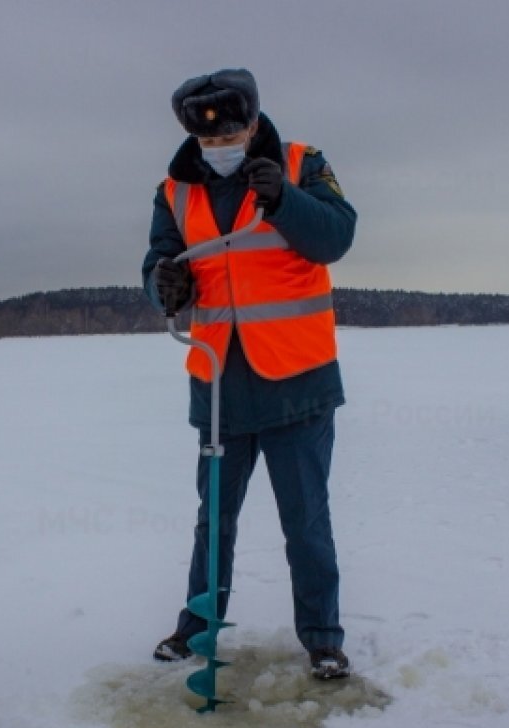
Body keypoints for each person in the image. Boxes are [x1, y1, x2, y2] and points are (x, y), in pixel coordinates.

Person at [141, 68, 358, 680]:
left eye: (231, 134)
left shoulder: (302, 165)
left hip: (298, 381)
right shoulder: (175, 191)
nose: (220, 148)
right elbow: (159, 264)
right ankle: (198, 628)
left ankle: (322, 639)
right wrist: (164, 286)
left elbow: (337, 237)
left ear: (255, 123)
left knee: (306, 520)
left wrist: (287, 200)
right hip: (220, 385)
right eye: (209, 142)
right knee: (214, 519)